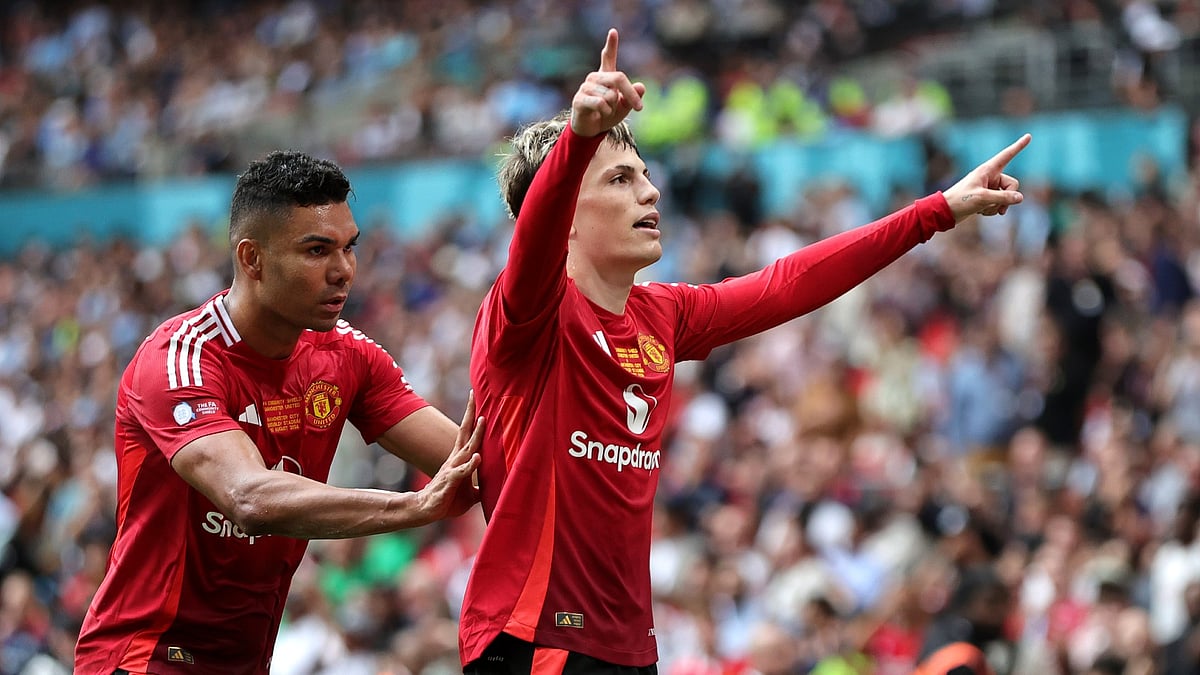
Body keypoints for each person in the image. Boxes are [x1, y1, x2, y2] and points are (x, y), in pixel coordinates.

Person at [458, 27, 1030, 674]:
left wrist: (938, 210)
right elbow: (533, 244)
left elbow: (787, 282)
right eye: (621, 179)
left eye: (646, 176)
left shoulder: (662, 315)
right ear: (563, 210)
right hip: (533, 640)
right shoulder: (527, 314)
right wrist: (580, 136)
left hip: (626, 648)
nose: (650, 192)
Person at [73, 150, 483, 675]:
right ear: (252, 258)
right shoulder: (180, 359)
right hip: (145, 657)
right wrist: (413, 507)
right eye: (317, 250)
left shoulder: (348, 355)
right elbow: (248, 495)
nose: (343, 272)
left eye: (348, 248)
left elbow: (473, 463)